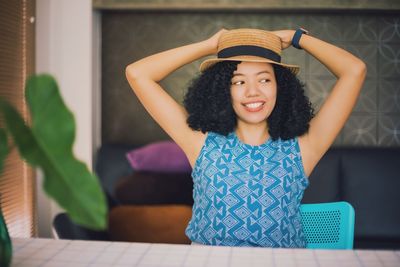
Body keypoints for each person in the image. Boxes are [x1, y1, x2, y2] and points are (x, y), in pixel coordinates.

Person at [125, 28, 366, 247]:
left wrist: (297, 38)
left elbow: (354, 71)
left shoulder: (304, 146)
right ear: (222, 90)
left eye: (264, 79)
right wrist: (211, 45)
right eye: (238, 81)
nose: (253, 91)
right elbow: (138, 73)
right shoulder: (200, 141)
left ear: (279, 87)